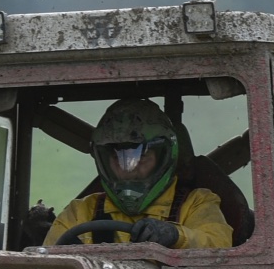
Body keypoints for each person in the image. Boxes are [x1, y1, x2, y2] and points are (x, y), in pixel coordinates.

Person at [44, 98, 233, 248]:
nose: (129, 169)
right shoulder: (80, 212)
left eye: (141, 157)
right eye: (117, 157)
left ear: (164, 156)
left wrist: (175, 236)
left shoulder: (197, 203)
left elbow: (219, 244)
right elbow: (49, 267)